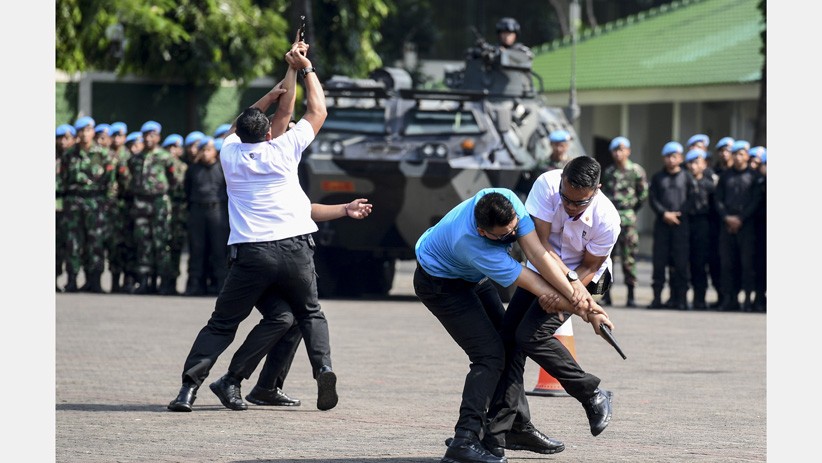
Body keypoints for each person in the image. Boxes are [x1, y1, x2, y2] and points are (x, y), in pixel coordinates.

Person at [167, 38, 339, 413]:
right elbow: (317, 110)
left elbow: (248, 122)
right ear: (269, 134)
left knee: (225, 324)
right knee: (308, 314)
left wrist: (283, 78)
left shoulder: (229, 152)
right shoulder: (284, 149)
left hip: (251, 254)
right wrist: (305, 68)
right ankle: (323, 368)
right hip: (294, 250)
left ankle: (188, 390)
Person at [414, 187, 609, 463]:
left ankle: (513, 427)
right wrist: (587, 311)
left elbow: (538, 254)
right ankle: (464, 440)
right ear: (483, 232)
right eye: (504, 236)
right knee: (489, 356)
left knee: (507, 343)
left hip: (472, 276)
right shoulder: (472, 244)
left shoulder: (505, 198)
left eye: (514, 228)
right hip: (442, 285)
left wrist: (581, 295)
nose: (512, 236)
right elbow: (537, 285)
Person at [485, 156, 619, 457]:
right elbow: (539, 245)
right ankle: (513, 426)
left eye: (579, 203)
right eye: (566, 198)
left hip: (586, 280)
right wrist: (554, 287)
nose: (570, 207)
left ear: (597, 190)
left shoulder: (608, 220)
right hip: (542, 268)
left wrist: (566, 296)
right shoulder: (546, 185)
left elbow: (590, 267)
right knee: (507, 341)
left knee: (530, 336)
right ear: (561, 181)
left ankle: (592, 394)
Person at [61, 116, 117, 293]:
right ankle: (72, 279)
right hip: (74, 203)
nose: (84, 134)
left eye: (87, 130)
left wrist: (107, 204)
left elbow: (111, 184)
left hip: (96, 203)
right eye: (81, 131)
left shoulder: (104, 155)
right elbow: (63, 179)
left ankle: (95, 280)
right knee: (73, 243)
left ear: (93, 132)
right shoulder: (69, 155)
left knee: (95, 243)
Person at [122, 120, 179, 294]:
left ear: (158, 137)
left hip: (159, 202)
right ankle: (144, 281)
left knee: (161, 242)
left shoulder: (165, 157)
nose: (148, 139)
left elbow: (174, 181)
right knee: (142, 242)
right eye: (146, 135)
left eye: (152, 135)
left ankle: (163, 282)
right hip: (140, 203)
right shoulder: (135, 159)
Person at [713, 140, 763, 311]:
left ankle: (748, 300)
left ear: (747, 156)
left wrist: (741, 218)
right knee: (727, 264)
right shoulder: (725, 176)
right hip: (727, 225)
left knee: (747, 264)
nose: (737, 157)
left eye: (741, 154)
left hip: (746, 226)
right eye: (735, 154)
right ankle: (730, 299)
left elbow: (756, 200)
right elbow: (718, 199)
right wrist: (727, 217)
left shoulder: (754, 177)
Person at [599, 136, 648, 307]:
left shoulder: (636, 171)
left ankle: (631, 294)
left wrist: (631, 209)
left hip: (628, 220)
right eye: (615, 150)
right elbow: (603, 194)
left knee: (629, 258)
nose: (618, 153)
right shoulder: (609, 172)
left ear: (628, 151)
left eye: (621, 150)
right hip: (610, 220)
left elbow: (643, 194)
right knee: (607, 258)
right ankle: (606, 294)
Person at [647, 141, 695, 309]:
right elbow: (652, 199)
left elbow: (692, 198)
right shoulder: (657, 177)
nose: (671, 159)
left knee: (681, 264)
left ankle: (680, 299)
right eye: (667, 156)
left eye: (674, 156)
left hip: (681, 225)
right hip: (662, 225)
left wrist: (679, 213)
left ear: (680, 158)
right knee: (659, 264)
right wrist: (664, 213)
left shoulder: (687, 177)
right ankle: (657, 299)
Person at [183, 136, 230, 297]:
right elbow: (187, 190)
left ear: (215, 152)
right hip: (197, 211)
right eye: (202, 150)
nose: (205, 153)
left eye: (208, 150)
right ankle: (196, 284)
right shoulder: (193, 169)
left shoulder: (222, 168)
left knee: (219, 249)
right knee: (197, 249)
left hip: (217, 211)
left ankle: (221, 285)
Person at [683, 148, 716, 309]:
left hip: (703, 225)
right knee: (684, 263)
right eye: (691, 163)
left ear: (704, 164)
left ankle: (700, 299)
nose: (693, 166)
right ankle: (681, 298)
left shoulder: (709, 185)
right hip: (686, 224)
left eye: (697, 162)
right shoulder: (685, 183)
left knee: (700, 264)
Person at [162, 133, 189, 296]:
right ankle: (163, 281)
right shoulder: (161, 166)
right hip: (163, 210)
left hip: (179, 212)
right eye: (170, 147)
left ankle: (172, 281)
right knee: (162, 246)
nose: (173, 150)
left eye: (176, 147)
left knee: (176, 246)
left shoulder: (184, 168)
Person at [56, 124, 77, 292]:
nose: (63, 142)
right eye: (60, 138)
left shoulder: (74, 157)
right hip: (57, 207)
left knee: (70, 245)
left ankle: (72, 279)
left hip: (70, 209)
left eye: (67, 138)